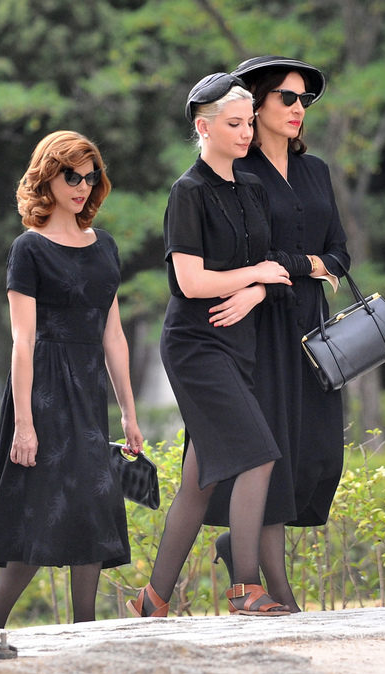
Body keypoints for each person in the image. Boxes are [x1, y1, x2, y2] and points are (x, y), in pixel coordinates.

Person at [128, 74, 293, 618]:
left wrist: (256, 288)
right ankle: (245, 586)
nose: (246, 133)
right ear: (204, 127)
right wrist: (258, 275)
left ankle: (152, 599)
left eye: (248, 123)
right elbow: (192, 282)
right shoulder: (187, 192)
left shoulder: (252, 190)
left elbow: (270, 273)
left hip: (239, 340)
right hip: (196, 345)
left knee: (199, 479)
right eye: (234, 124)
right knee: (260, 454)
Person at [0, 130, 145, 628]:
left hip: (89, 387)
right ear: (46, 176)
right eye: (71, 175)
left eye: (89, 177)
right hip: (43, 389)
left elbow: (113, 335)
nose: (81, 186)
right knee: (40, 510)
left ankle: (85, 628)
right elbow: (22, 342)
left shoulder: (105, 246)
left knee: (93, 502)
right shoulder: (27, 248)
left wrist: (130, 415)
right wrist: (24, 424)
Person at [208, 56, 350, 613]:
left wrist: (299, 266)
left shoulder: (315, 173)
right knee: (276, 454)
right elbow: (248, 257)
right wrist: (302, 266)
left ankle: (235, 543)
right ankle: (275, 590)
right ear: (257, 104)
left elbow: (338, 252)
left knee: (317, 452)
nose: (297, 109)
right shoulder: (238, 175)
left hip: (312, 328)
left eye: (303, 101)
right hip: (260, 329)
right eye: (287, 98)